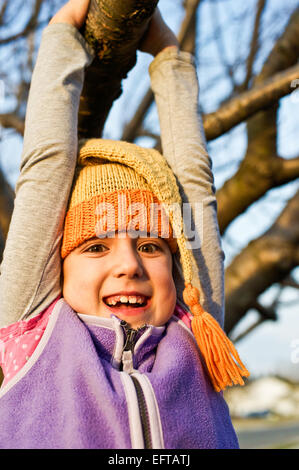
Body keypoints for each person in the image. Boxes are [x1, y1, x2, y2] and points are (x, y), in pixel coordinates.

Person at [0, 0, 248, 449]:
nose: (129, 265)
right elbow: (46, 167)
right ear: (57, 264)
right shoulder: (34, 332)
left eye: (152, 245)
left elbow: (193, 190)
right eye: (95, 246)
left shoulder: (194, 332)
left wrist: (170, 57)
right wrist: (61, 34)